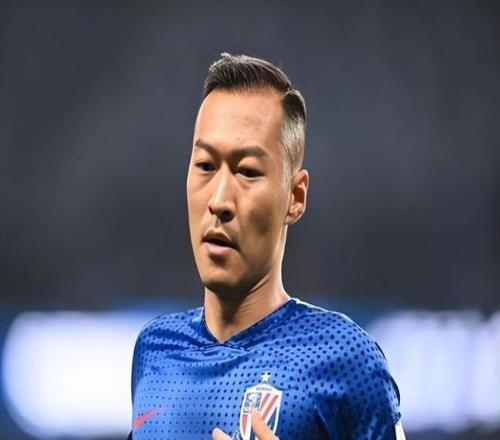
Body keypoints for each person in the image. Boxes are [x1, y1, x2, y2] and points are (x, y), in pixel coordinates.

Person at [128, 53, 405, 440]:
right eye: (205, 165)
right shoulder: (155, 349)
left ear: (295, 196)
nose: (219, 200)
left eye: (247, 171)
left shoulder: (346, 361)